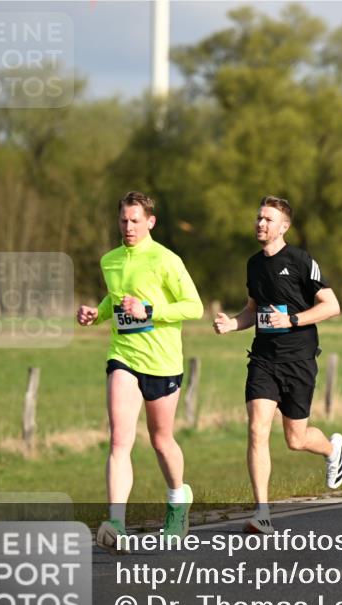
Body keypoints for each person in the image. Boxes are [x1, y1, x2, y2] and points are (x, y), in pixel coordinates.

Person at [77, 191, 203, 553]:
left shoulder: (166, 259)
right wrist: (97, 314)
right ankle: (116, 521)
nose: (128, 227)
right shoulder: (110, 260)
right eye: (123, 221)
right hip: (124, 355)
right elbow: (115, 299)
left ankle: (178, 500)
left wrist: (149, 310)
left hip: (163, 362)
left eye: (135, 220)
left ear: (150, 222)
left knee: (161, 440)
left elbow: (192, 306)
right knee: (119, 440)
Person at [213, 195, 342, 535]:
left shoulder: (301, 261)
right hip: (263, 358)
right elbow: (252, 310)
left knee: (296, 439)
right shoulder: (254, 264)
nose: (260, 223)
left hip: (299, 359)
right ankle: (262, 512)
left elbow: (332, 306)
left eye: (268, 219)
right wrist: (232, 323)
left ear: (284, 226)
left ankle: (333, 450)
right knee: (258, 428)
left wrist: (293, 321)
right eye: (258, 217)